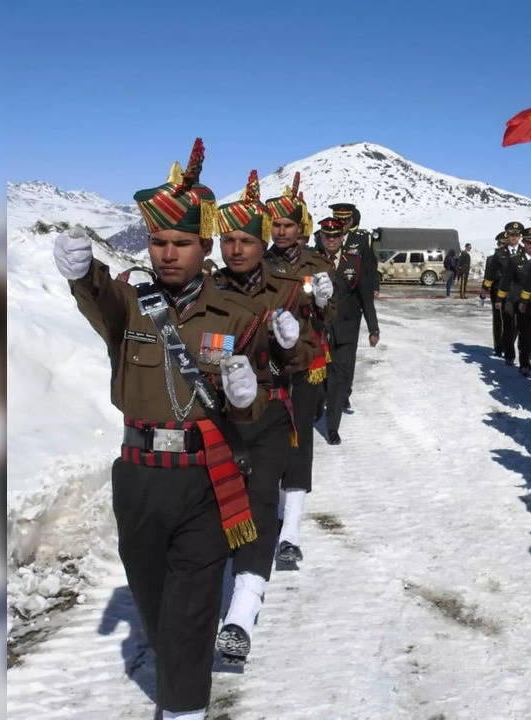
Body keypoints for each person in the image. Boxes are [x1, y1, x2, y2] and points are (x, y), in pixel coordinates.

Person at [51, 139, 298, 719]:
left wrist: (246, 398)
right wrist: (82, 271)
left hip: (205, 477)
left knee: (189, 615)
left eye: (181, 243)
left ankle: (183, 708)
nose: (167, 254)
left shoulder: (237, 316)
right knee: (157, 605)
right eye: (159, 242)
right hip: (138, 476)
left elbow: (260, 390)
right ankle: (179, 674)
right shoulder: (130, 306)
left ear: (203, 247)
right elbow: (96, 296)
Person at [210, 170, 312, 664]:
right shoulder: (205, 290)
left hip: (269, 409)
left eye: (245, 239)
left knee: (257, 497)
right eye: (227, 239)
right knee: (218, 506)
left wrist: (293, 346)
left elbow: (304, 354)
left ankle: (243, 608)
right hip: (215, 415)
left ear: (261, 240)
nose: (235, 249)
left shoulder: (284, 290)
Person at [264, 190, 336, 568]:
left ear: (300, 229)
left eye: (287, 224)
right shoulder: (260, 261)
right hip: (270, 363)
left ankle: (291, 530)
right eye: (275, 224)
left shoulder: (317, 263)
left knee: (300, 439)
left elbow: (331, 317)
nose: (280, 231)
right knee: (271, 436)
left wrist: (324, 302)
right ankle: (275, 509)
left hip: (307, 362)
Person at [318, 217, 380, 445]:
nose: (331, 240)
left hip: (346, 329)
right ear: (321, 237)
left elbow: (365, 296)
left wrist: (373, 329)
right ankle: (319, 405)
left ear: (342, 237)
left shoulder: (354, 262)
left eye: (335, 236)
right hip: (320, 330)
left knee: (338, 378)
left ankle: (332, 427)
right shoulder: (313, 261)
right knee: (321, 377)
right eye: (327, 236)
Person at [508, 227, 531, 376]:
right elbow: (511, 282)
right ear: (523, 242)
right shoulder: (516, 260)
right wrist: (517, 300)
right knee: (523, 333)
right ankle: (524, 362)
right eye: (528, 241)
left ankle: (528, 355)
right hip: (521, 303)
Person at [492, 222, 524, 365]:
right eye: (512, 235)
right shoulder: (500, 253)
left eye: (516, 235)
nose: (514, 237)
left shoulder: (526, 252)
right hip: (506, 295)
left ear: (520, 236)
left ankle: (514, 349)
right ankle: (509, 355)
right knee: (508, 323)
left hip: (522, 295)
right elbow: (491, 273)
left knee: (520, 326)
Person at [482, 232, 508, 355]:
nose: (501, 246)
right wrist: (484, 291)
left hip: (510, 292)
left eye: (504, 243)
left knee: (510, 320)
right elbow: (487, 276)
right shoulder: (491, 259)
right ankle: (498, 346)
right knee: (498, 319)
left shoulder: (514, 257)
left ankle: (507, 344)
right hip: (496, 291)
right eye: (500, 243)